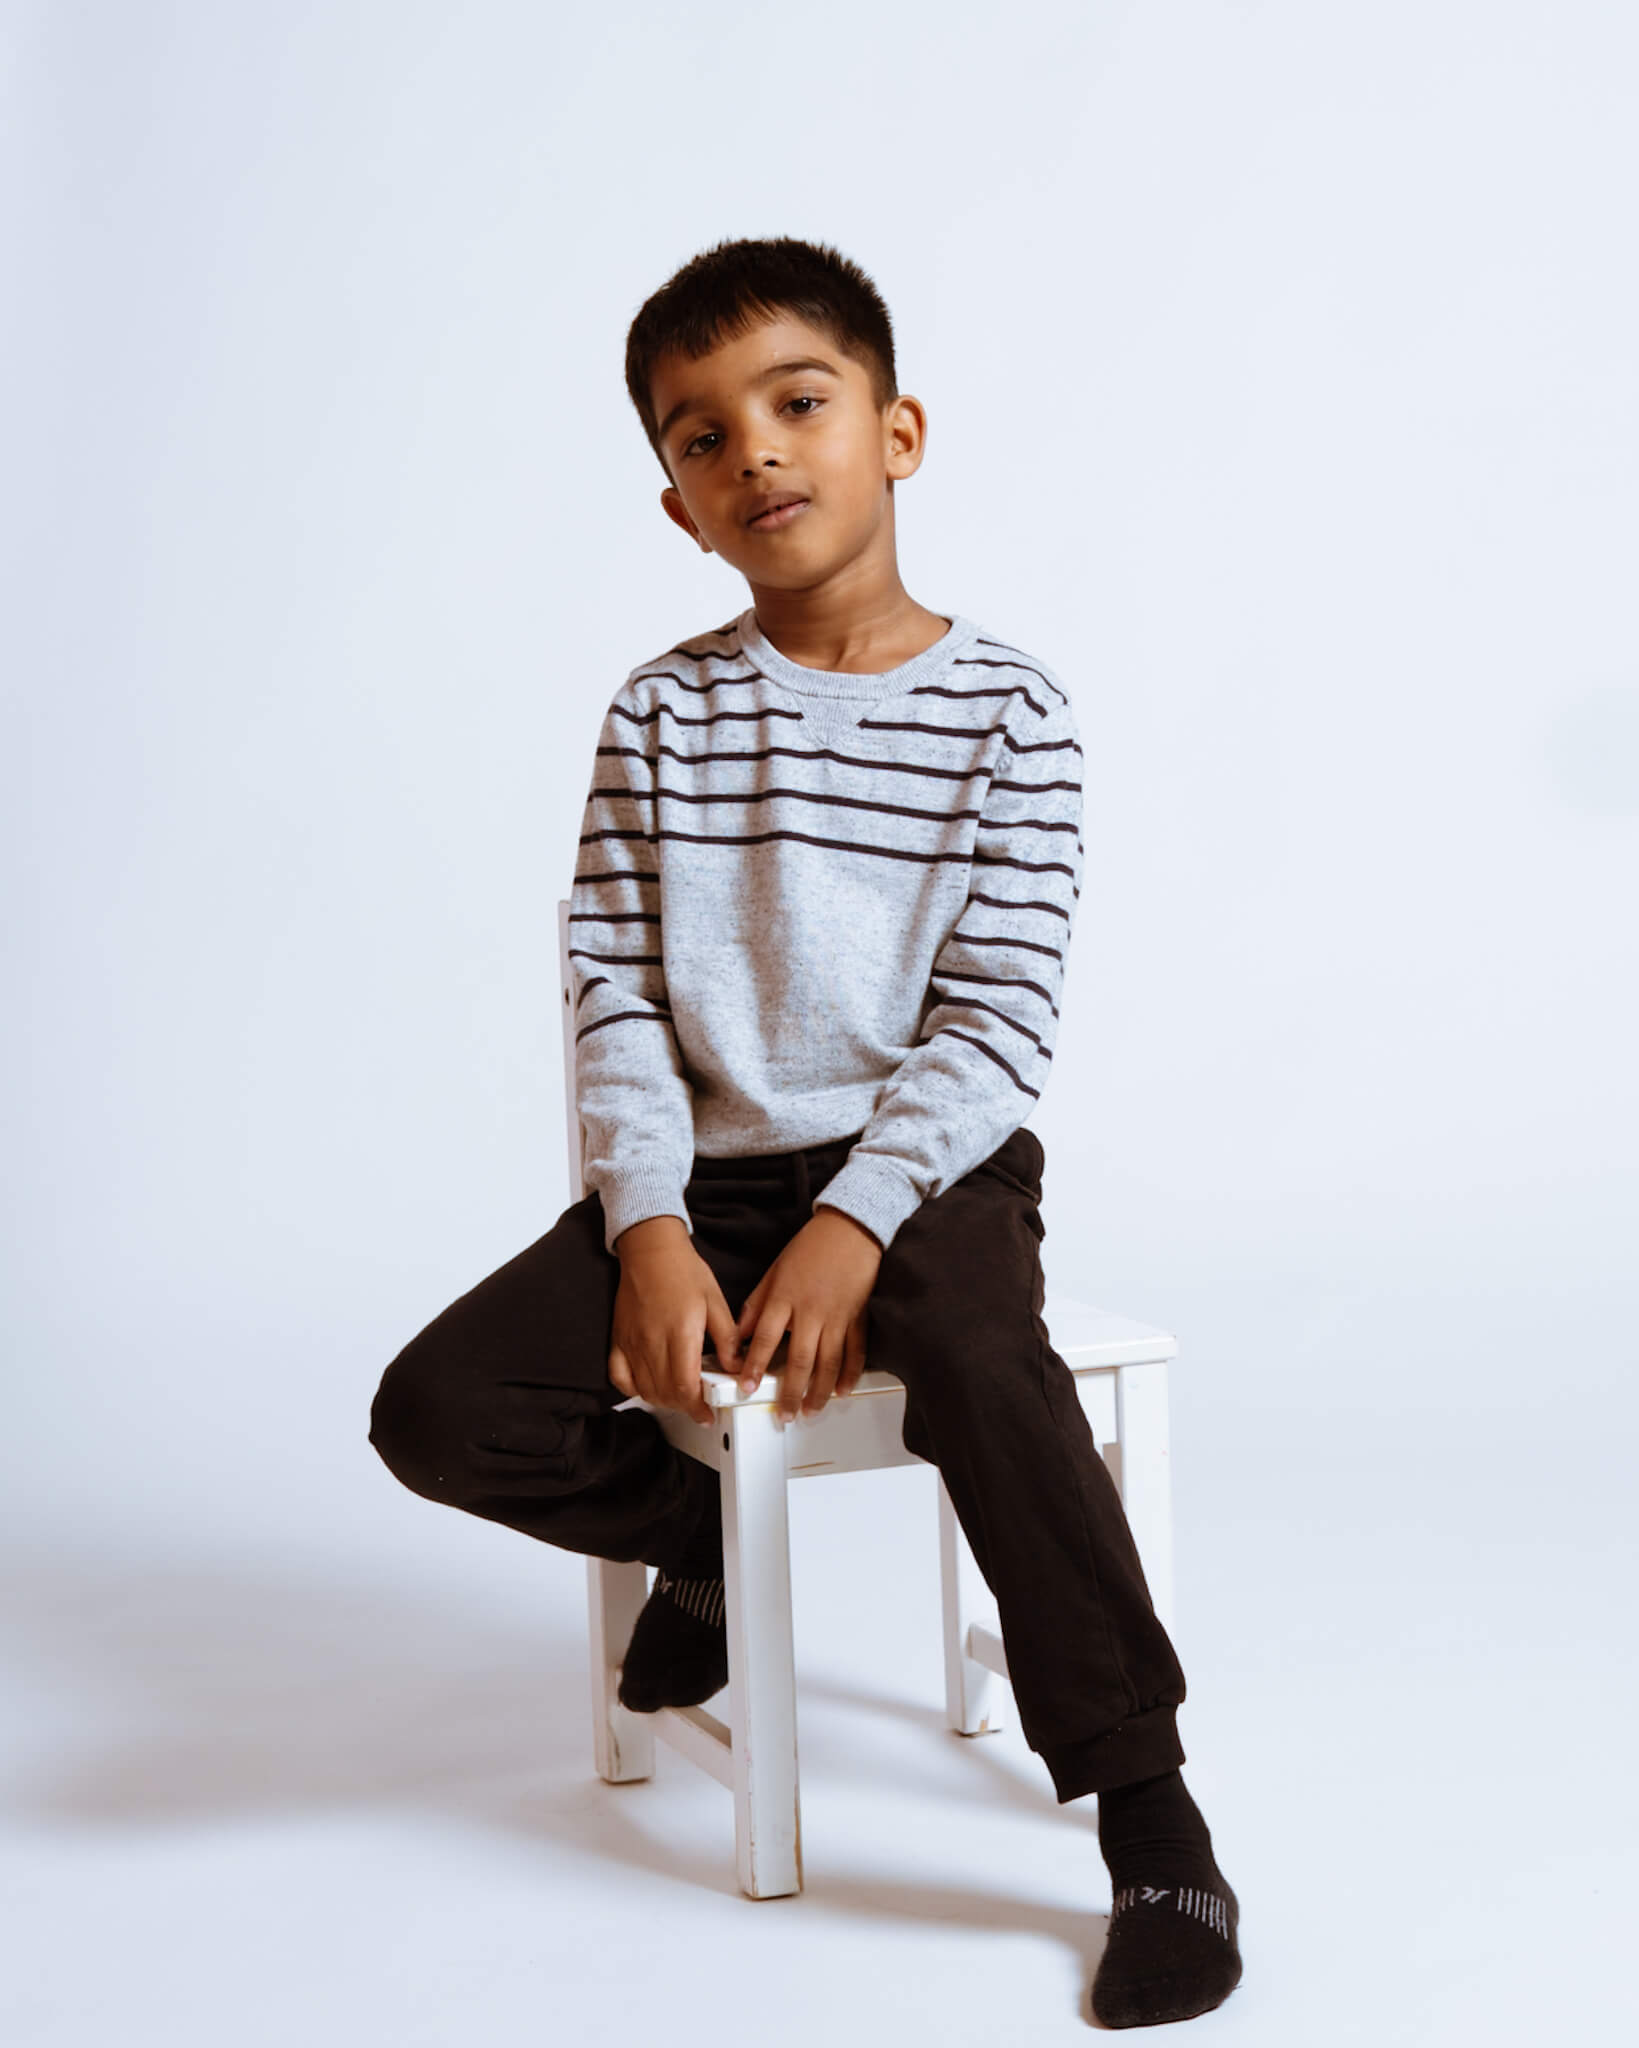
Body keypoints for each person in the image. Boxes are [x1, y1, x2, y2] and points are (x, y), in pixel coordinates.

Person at [368, 235, 1242, 2028]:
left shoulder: (1015, 710)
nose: (752, 451)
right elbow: (608, 986)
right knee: (440, 1407)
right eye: (701, 438)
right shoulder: (663, 713)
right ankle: (693, 1537)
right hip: (706, 1182)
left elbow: (998, 1022)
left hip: (926, 1172)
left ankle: (1150, 1816)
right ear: (678, 506)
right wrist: (651, 1226)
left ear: (898, 431)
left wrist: (859, 1223)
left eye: (797, 403)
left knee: (992, 1371)